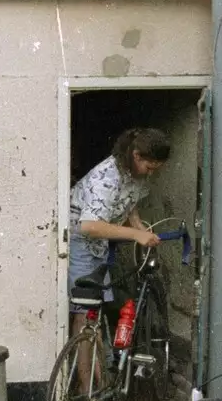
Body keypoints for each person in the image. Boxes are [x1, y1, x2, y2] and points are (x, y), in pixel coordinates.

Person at [66, 127, 172, 339]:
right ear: (136, 155)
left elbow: (129, 201)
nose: (151, 173)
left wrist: (138, 226)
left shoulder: (134, 173)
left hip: (98, 243)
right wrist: (135, 235)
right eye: (149, 167)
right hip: (80, 241)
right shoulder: (106, 178)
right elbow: (89, 225)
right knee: (85, 314)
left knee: (95, 311)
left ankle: (100, 369)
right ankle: (84, 373)